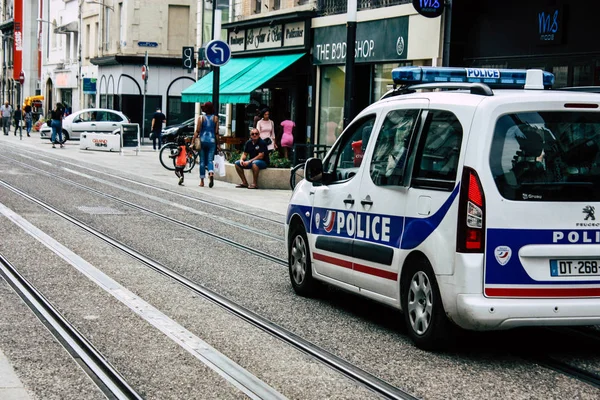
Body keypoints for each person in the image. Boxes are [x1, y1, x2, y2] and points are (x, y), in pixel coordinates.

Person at [192, 101, 220, 188]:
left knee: (202, 161)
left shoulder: (201, 118)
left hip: (202, 140)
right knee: (210, 160)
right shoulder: (215, 118)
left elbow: (197, 131)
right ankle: (211, 172)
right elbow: (216, 132)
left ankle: (202, 181)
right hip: (212, 141)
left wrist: (193, 142)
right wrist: (218, 144)